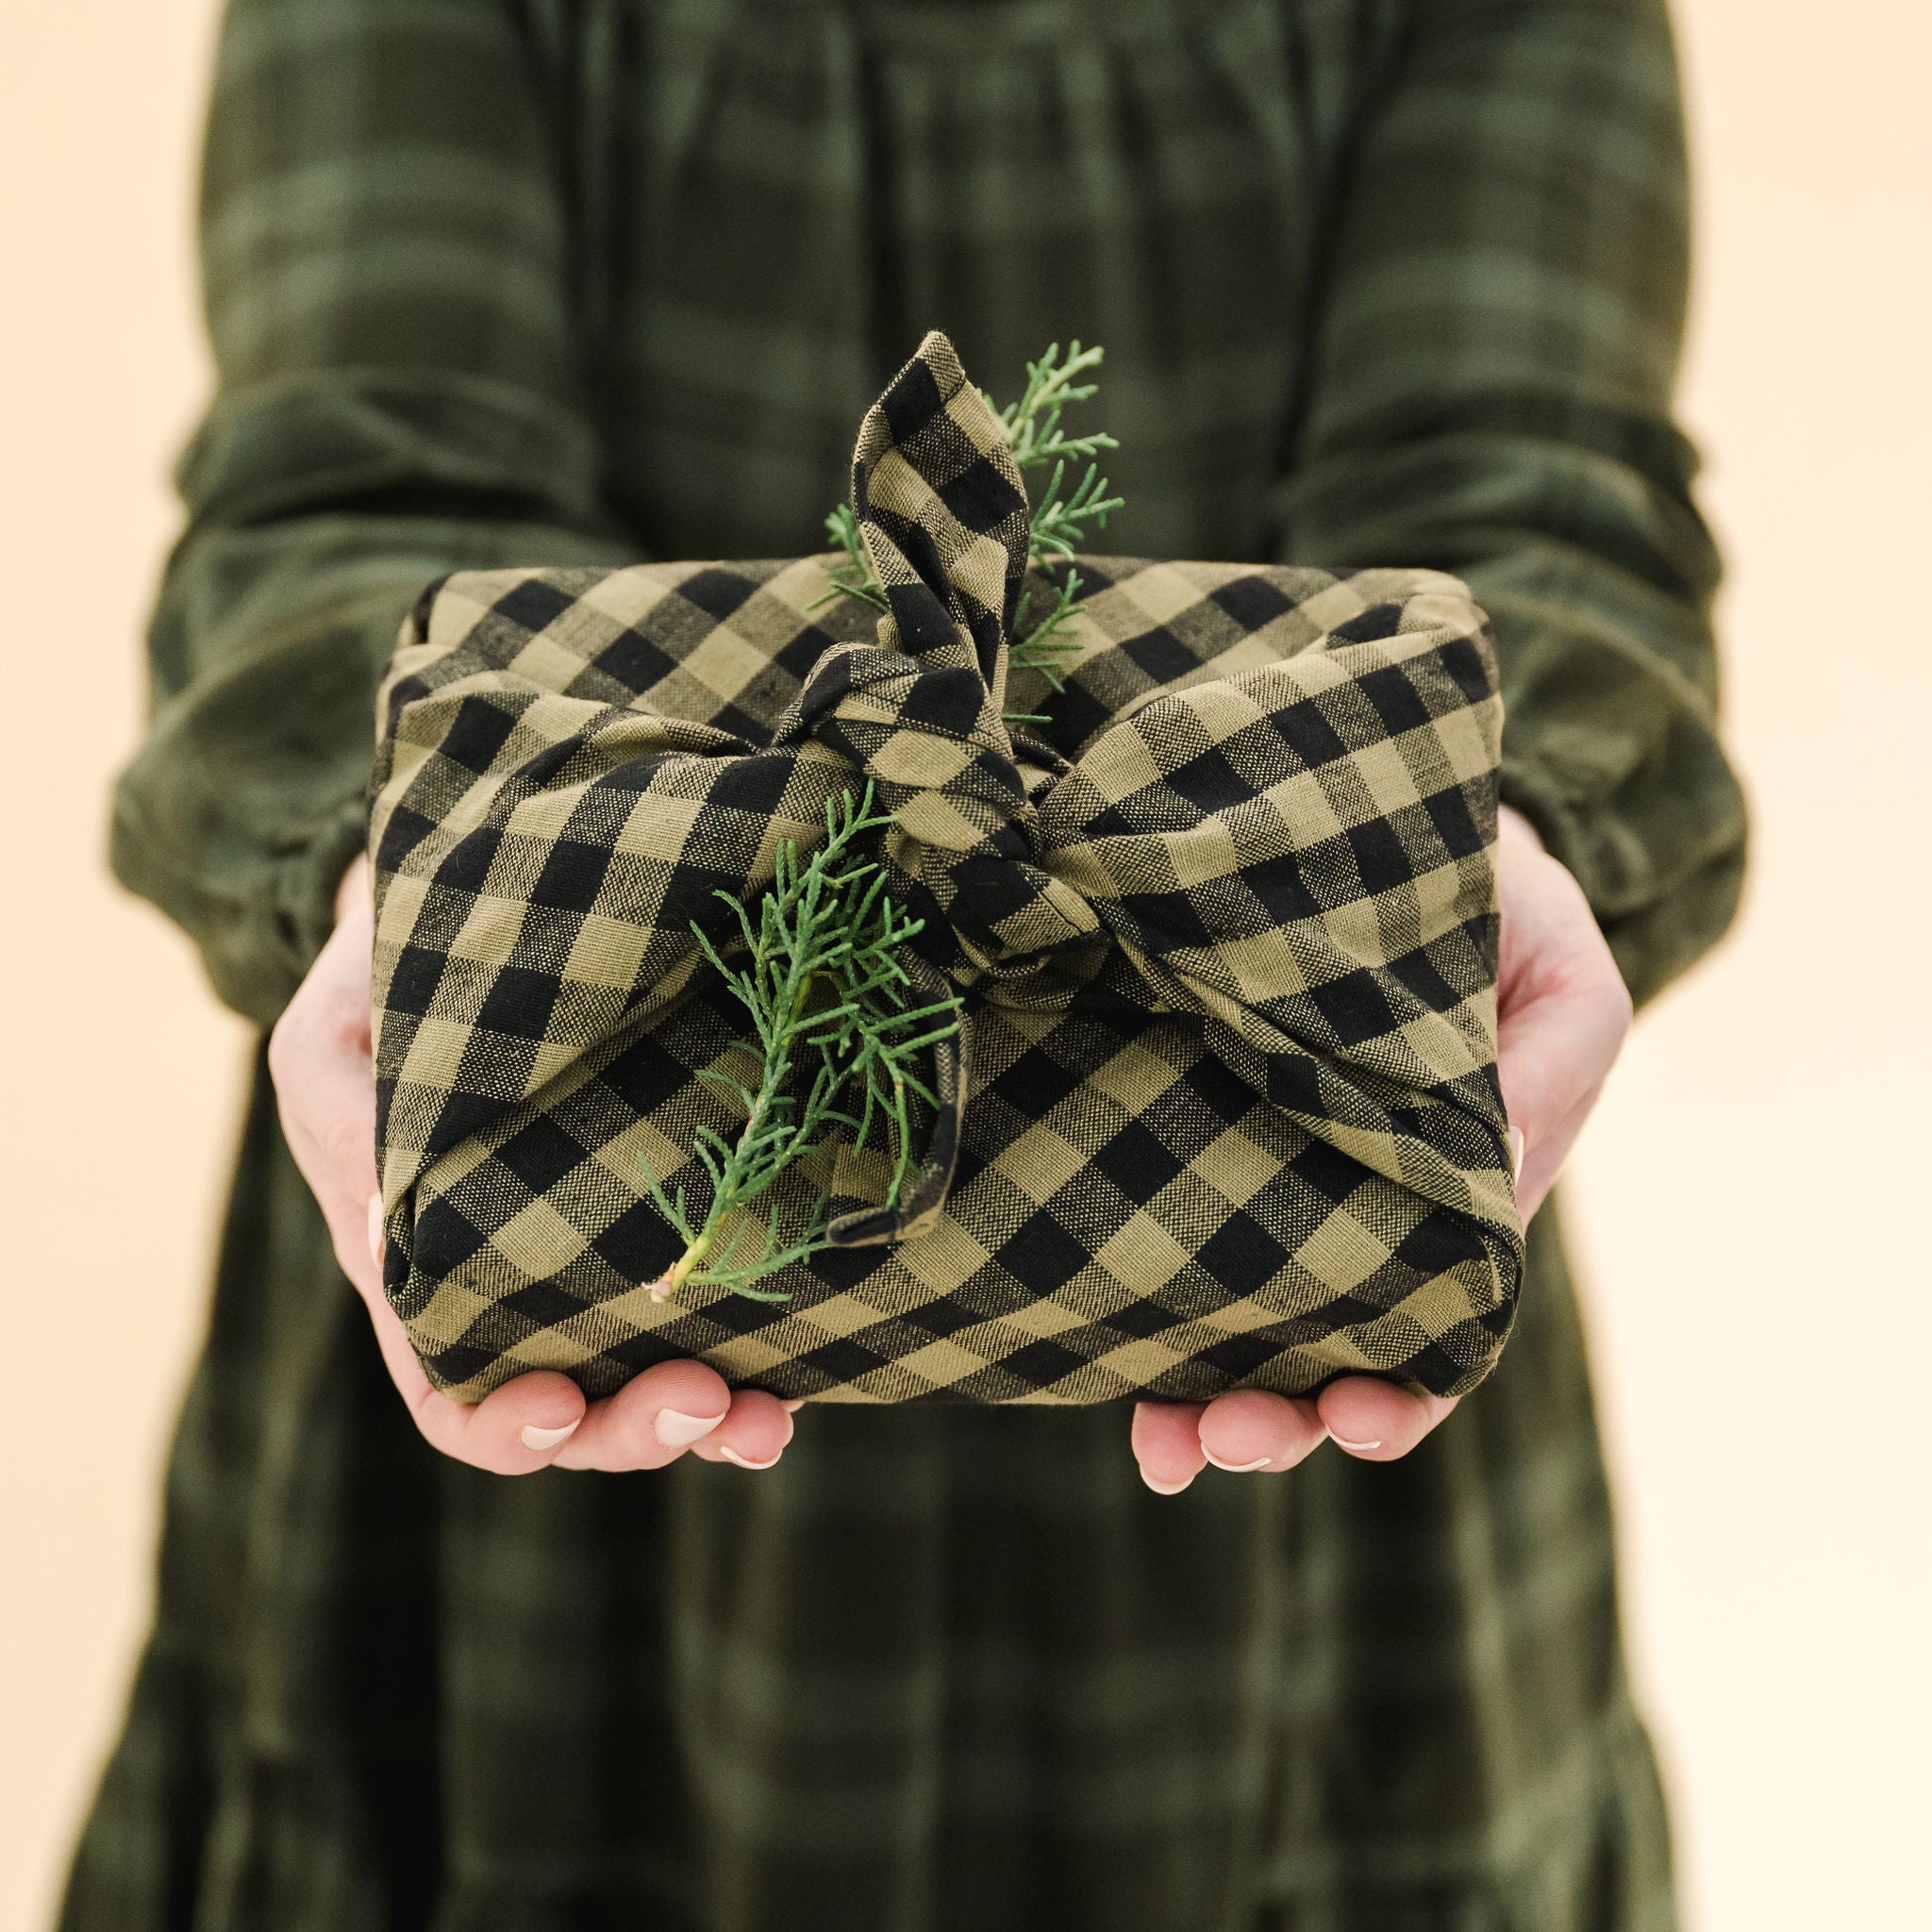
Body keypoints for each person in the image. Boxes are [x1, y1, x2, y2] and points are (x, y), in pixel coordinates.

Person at [62, 0, 1746, 1925]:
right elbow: (360, 494)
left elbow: (1521, 502)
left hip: (1290, 1248)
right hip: (566, 1258)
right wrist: (394, 865)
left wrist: (1506, 828)